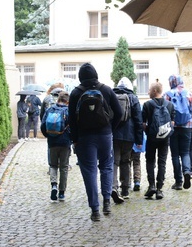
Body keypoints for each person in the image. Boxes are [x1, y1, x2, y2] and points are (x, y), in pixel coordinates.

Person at [68, 62, 123, 221]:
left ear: (80, 77)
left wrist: (75, 140)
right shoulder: (106, 89)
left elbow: (72, 119)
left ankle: (95, 210)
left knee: (89, 171)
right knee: (106, 166)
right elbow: (118, 112)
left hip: (85, 138)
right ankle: (106, 201)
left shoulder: (76, 93)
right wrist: (110, 129)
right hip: (105, 135)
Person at [110, 77, 143, 203]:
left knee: (114, 161)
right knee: (126, 161)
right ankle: (125, 190)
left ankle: (113, 187)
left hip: (114, 134)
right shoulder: (133, 98)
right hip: (129, 135)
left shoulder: (112, 95)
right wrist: (139, 140)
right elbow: (138, 120)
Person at [164, 75, 192, 190]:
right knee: (185, 152)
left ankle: (178, 182)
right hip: (187, 127)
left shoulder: (167, 95)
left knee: (174, 154)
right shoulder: (189, 94)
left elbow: (164, 112)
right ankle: (187, 171)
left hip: (173, 127)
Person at [141, 81, 173, 200]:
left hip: (152, 137)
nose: (148, 92)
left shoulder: (147, 105)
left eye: (149, 90)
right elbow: (172, 122)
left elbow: (143, 123)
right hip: (165, 138)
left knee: (150, 161)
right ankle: (160, 189)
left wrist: (148, 132)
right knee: (162, 162)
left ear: (154, 91)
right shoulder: (169, 105)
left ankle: (151, 186)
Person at [40, 91, 72, 201]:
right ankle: (62, 192)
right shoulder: (68, 111)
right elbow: (73, 127)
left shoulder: (50, 109)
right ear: (67, 101)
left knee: (53, 165)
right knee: (64, 167)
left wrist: (48, 136)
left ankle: (54, 185)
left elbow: (43, 125)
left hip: (52, 142)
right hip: (65, 143)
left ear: (58, 99)